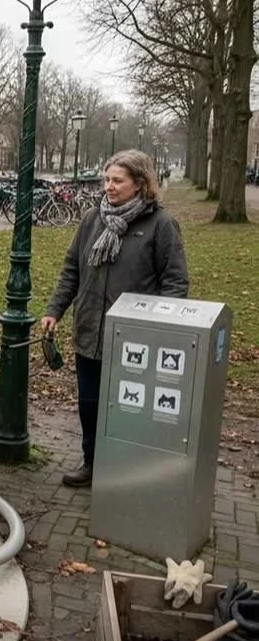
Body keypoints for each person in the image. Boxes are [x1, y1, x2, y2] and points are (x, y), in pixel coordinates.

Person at [41, 149, 189, 488]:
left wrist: (162, 330)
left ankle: (127, 471)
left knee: (128, 407)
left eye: (117, 181)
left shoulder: (161, 225)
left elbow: (175, 283)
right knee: (90, 404)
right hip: (90, 332)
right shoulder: (92, 219)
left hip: (135, 342)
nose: (108, 186)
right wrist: (54, 310)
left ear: (140, 183)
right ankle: (92, 462)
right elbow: (71, 269)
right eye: (106, 179)